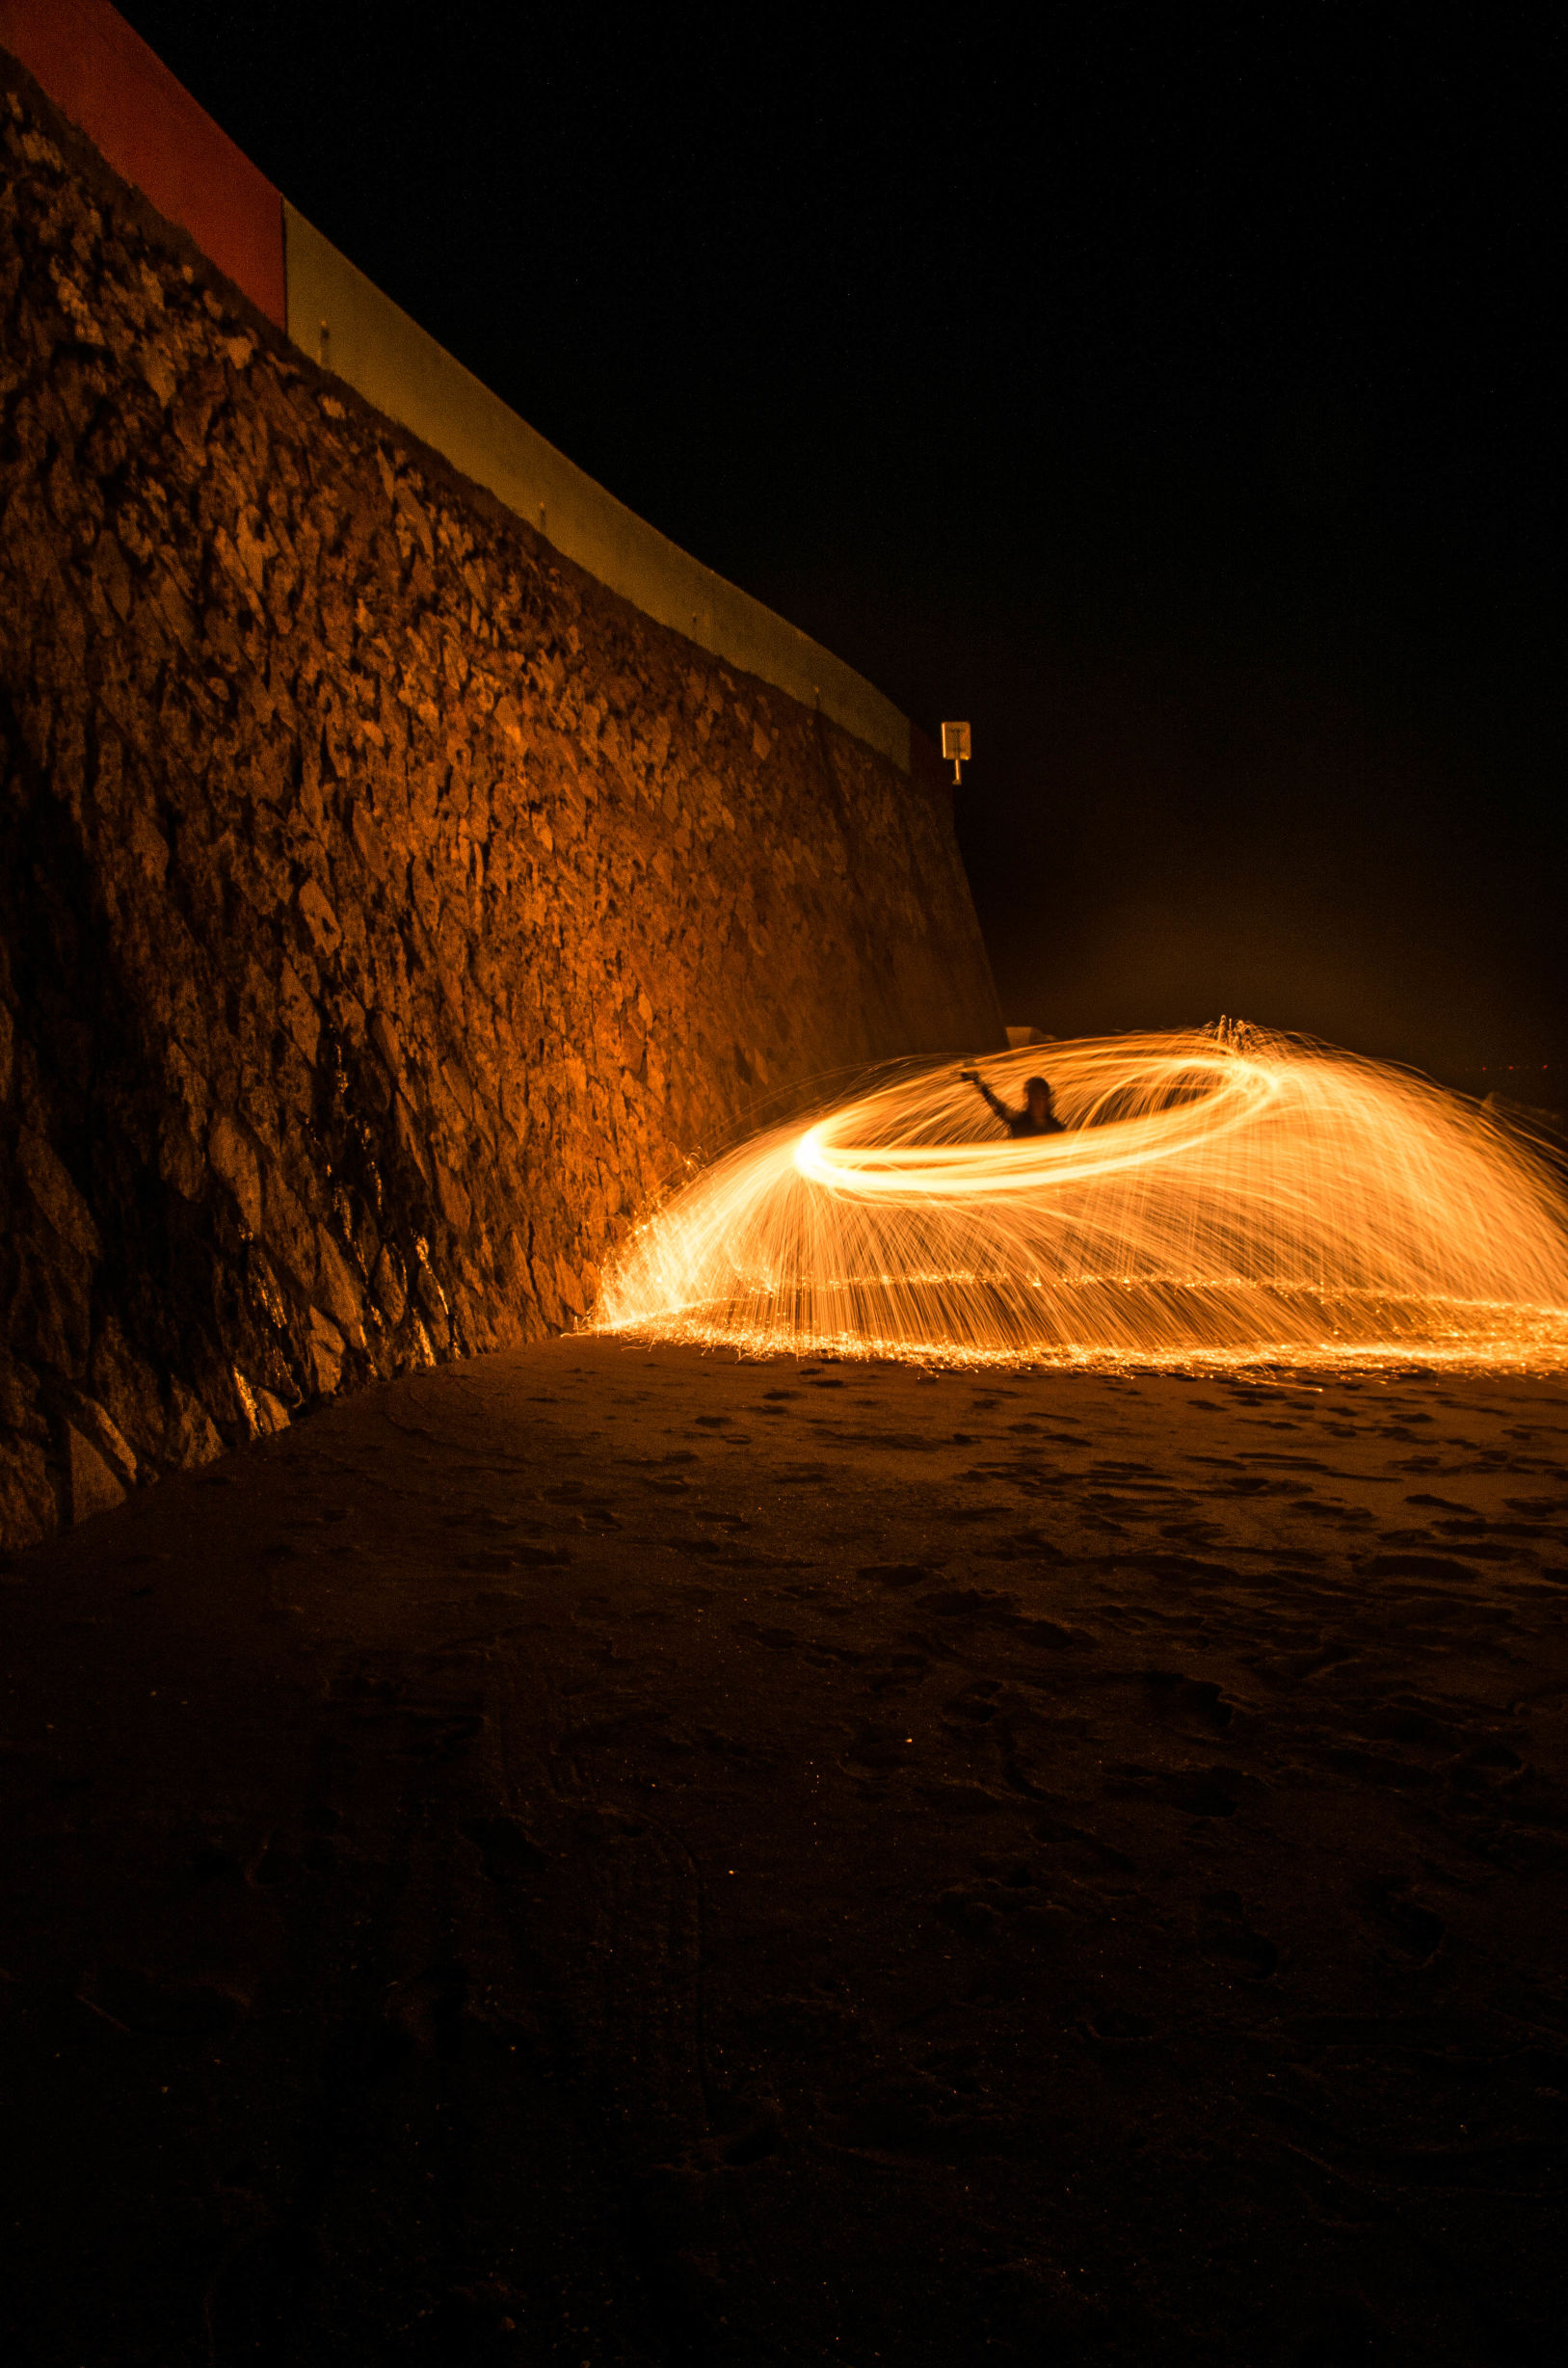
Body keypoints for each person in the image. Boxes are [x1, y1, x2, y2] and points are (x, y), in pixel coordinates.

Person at [961, 1067, 1066, 1138]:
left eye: (1042, 1096)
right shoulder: (1019, 1121)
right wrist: (978, 1082)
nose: (1038, 1101)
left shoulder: (1057, 1128)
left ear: (1048, 1099)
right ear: (1028, 1098)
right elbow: (996, 1104)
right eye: (1034, 1096)